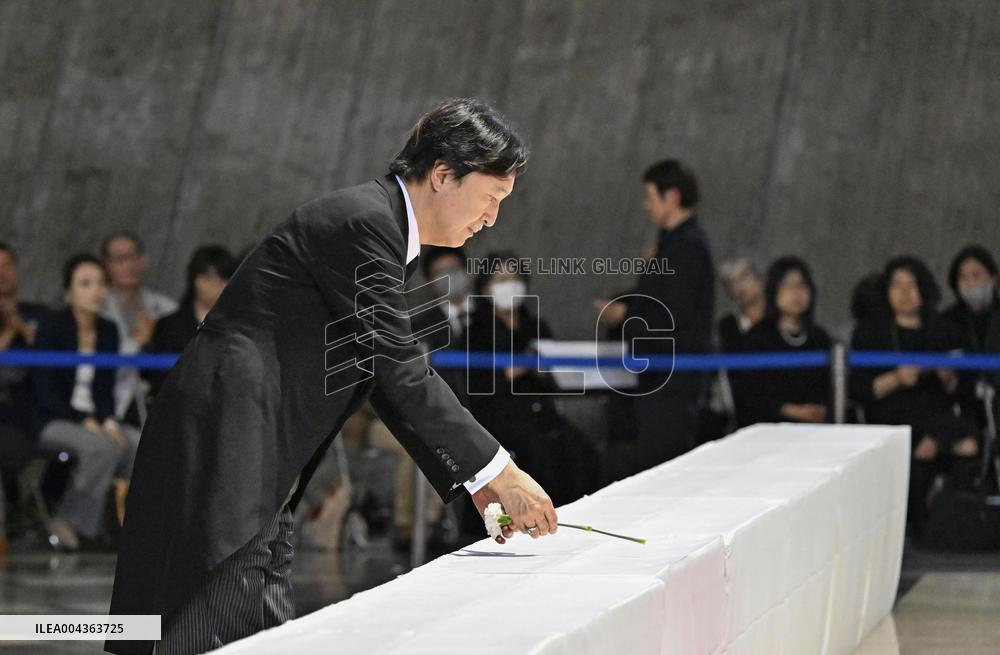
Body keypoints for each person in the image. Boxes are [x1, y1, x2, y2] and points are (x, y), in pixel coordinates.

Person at [107, 98, 558, 655]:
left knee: (248, 621)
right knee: (217, 620)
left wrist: (479, 481)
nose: (492, 218)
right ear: (443, 175)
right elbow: (400, 368)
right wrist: (501, 470)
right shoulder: (364, 223)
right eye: (492, 197)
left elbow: (382, 376)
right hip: (229, 440)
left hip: (255, 446)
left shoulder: (382, 229)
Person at [597, 160, 715, 471]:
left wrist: (625, 314)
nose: (646, 205)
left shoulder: (687, 248)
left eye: (650, 197)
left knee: (665, 465)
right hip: (660, 374)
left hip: (672, 379)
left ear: (672, 197)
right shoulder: (672, 244)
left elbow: (673, 312)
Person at [849, 256, 979, 534]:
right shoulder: (871, 333)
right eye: (897, 285)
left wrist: (948, 376)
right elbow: (859, 389)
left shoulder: (943, 329)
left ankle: (955, 519)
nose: (905, 292)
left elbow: (965, 390)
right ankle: (918, 523)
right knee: (924, 443)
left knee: (968, 443)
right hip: (893, 414)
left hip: (937, 413)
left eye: (912, 285)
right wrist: (895, 379)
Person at [33, 255, 141, 551]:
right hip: (51, 418)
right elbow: (44, 392)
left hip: (95, 417)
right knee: (102, 447)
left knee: (136, 442)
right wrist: (85, 421)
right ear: (69, 292)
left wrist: (108, 421)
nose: (97, 291)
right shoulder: (52, 326)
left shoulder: (108, 330)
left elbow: (105, 389)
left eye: (101, 283)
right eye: (86, 283)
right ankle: (68, 522)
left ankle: (124, 525)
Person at [739, 257, 832, 425]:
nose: (796, 293)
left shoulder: (820, 338)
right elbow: (751, 393)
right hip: (770, 428)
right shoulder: (757, 337)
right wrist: (793, 411)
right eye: (787, 285)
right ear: (773, 291)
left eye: (802, 285)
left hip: (817, 428)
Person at [142, 245, 238, 399]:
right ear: (194, 280)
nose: (215, 286)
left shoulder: (242, 327)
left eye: (222, 279)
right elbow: (157, 377)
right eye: (207, 278)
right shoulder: (169, 325)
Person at [101, 233, 178, 421]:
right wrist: (137, 341)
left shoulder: (166, 308)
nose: (128, 264)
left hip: (156, 404)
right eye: (119, 258)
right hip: (109, 406)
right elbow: (101, 371)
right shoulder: (97, 309)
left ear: (144, 260)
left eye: (133, 256)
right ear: (106, 265)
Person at [0, 243, 50, 526]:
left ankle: (19, 506)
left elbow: (55, 356)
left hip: (33, 410)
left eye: (7, 265)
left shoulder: (40, 314)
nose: (2, 273)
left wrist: (28, 333)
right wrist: (10, 331)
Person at [717, 257, 765, 353]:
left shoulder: (781, 320)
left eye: (744, 276)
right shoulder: (728, 325)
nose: (738, 285)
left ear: (760, 280)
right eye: (731, 281)